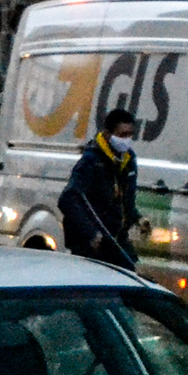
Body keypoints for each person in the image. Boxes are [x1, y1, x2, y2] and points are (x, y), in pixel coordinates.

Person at [61, 108, 141, 270]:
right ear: (107, 134)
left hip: (116, 239)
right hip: (94, 243)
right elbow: (68, 199)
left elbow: (124, 201)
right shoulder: (91, 162)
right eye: (122, 135)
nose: (126, 140)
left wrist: (137, 219)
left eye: (129, 135)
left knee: (132, 276)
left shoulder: (128, 160)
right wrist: (92, 234)